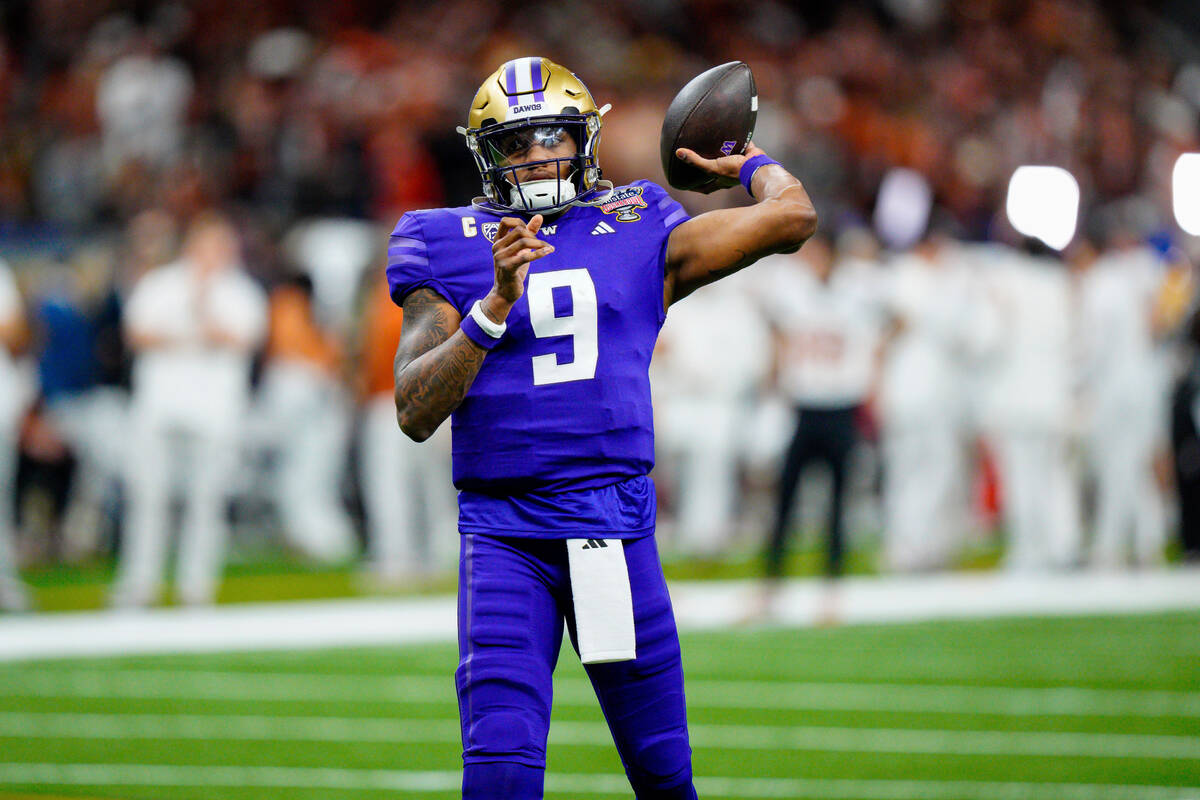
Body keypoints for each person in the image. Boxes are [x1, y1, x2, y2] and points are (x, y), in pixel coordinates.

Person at [386, 57, 816, 800]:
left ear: (583, 138)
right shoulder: (443, 238)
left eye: (551, 135)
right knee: (499, 774)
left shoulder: (639, 218)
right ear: (485, 155)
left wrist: (749, 162)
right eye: (514, 143)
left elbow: (793, 217)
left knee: (663, 775)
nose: (535, 155)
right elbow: (413, 409)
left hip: (612, 525)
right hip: (505, 532)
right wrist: (493, 307)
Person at [112, 211, 267, 608]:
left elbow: (242, 339)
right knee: (148, 497)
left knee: (207, 501)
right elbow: (136, 334)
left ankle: (195, 587)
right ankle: (139, 584)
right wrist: (192, 329)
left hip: (215, 411)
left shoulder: (241, 291)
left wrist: (200, 311)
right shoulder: (160, 284)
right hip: (159, 405)